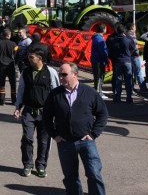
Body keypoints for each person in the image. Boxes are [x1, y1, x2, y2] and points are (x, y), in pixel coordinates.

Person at [43, 62, 108, 195]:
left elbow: (102, 113)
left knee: (94, 174)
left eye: (64, 74)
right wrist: (55, 135)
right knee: (70, 177)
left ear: (75, 74)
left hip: (86, 142)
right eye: (60, 74)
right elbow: (46, 117)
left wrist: (94, 134)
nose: (61, 77)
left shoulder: (89, 92)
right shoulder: (55, 94)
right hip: (65, 143)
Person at [14, 49, 59, 178]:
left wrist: (56, 111)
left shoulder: (50, 72)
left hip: (45, 113)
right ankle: (28, 164)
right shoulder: (26, 72)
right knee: (27, 139)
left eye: (31, 57)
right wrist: (18, 107)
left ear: (40, 58)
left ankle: (41, 166)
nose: (29, 60)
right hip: (28, 111)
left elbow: (55, 92)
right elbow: (21, 89)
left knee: (44, 141)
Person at [110, 24, 136, 103]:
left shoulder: (114, 40)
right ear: (124, 31)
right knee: (128, 79)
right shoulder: (127, 40)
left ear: (117, 31)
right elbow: (133, 48)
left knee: (118, 79)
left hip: (118, 60)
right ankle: (129, 97)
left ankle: (117, 97)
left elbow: (111, 50)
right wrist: (129, 54)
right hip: (127, 60)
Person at [0, 28, 18, 105]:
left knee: (2, 83)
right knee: (13, 83)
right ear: (9, 35)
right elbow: (16, 54)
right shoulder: (14, 44)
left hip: (2, 66)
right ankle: (14, 100)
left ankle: (2, 100)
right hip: (11, 65)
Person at [126, 22, 147, 94]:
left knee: (130, 73)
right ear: (132, 27)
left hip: (129, 56)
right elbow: (135, 46)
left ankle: (131, 88)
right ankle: (143, 88)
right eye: (134, 27)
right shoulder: (132, 35)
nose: (135, 28)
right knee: (139, 73)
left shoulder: (126, 34)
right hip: (134, 56)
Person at [91, 23, 109, 99]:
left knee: (97, 76)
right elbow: (103, 51)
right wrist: (106, 59)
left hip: (95, 59)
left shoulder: (96, 37)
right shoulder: (100, 39)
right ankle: (98, 92)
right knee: (99, 76)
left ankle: (99, 90)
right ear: (103, 29)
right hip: (99, 60)